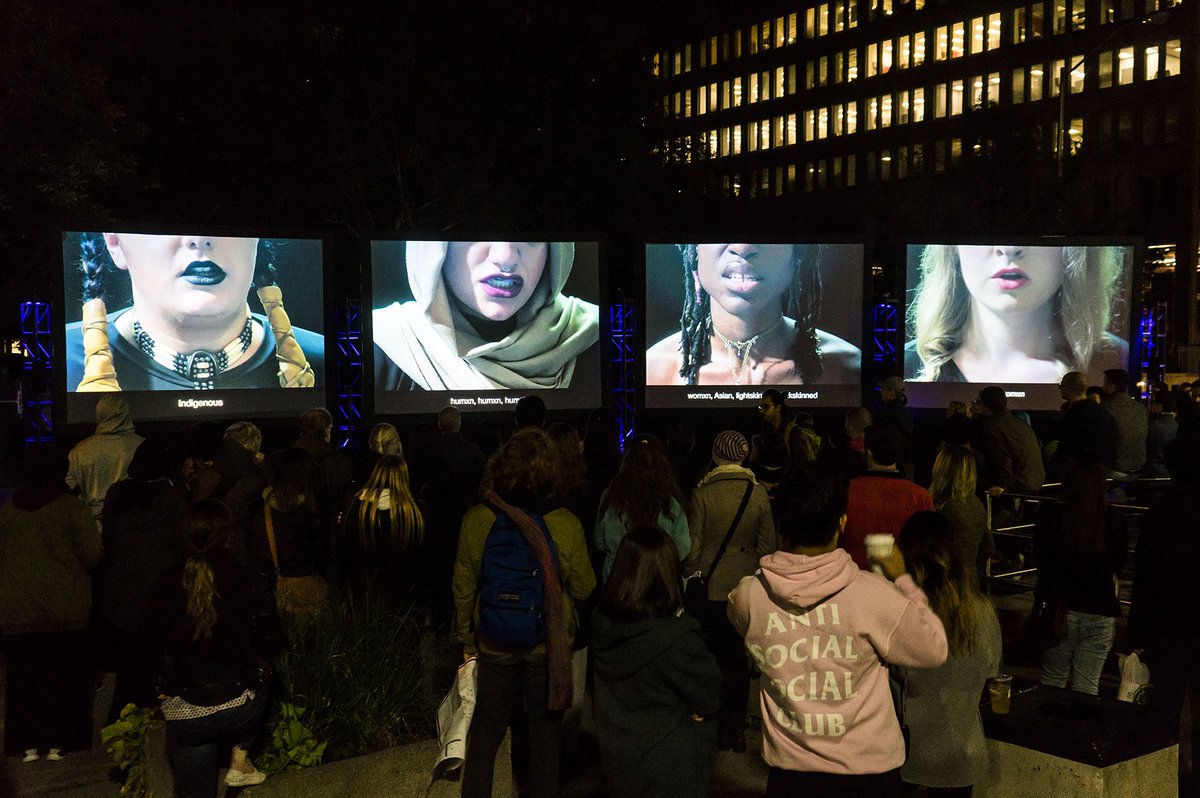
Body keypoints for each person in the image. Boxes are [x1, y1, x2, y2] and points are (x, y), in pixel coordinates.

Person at [728, 466, 948, 798]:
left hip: (791, 778)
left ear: (780, 522)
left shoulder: (748, 596)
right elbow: (934, 649)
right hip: (868, 776)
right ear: (842, 523)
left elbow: (741, 620)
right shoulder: (874, 596)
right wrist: (904, 580)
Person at [454, 428, 596, 798]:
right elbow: (585, 587)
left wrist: (466, 640)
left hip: (493, 642)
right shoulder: (564, 522)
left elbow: (463, 587)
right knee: (545, 736)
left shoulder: (478, 519)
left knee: (485, 733)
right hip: (546, 646)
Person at [65, 232, 322, 391]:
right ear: (114, 243)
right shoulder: (63, 360)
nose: (201, 240)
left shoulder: (323, 360)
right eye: (164, 222)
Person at [147, 500, 281, 797]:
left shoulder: (165, 583)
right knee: (268, 673)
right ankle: (240, 757)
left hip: (185, 709)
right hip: (239, 707)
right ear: (227, 536)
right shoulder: (247, 578)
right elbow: (271, 639)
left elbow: (150, 647)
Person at [592, 526, 721, 798]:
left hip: (617, 760)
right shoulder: (677, 639)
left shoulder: (602, 626)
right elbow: (710, 697)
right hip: (670, 769)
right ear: (668, 573)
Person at [373, 241, 599, 391]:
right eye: (474, 233)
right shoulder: (385, 342)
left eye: (529, 235)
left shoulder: (592, 337)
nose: (505, 258)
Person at [0, 446, 102, 762]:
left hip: (18, 610)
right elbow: (93, 555)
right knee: (63, 679)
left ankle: (25, 742)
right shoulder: (70, 507)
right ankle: (62, 741)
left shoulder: (9, 510)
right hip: (64, 609)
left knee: (24, 680)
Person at [905, 244, 1128, 383]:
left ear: (1075, 251)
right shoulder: (909, 364)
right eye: (986, 230)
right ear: (953, 248)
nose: (1009, 249)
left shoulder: (1118, 359)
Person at [646, 243, 860, 386]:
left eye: (770, 234)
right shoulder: (654, 369)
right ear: (694, 249)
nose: (743, 248)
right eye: (721, 231)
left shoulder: (848, 367)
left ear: (798, 253)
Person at [897, 511, 1002, 798]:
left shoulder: (902, 615)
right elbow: (992, 671)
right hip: (961, 750)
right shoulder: (983, 612)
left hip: (907, 751)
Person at [687, 430, 775, 752]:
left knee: (715, 655)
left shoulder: (703, 493)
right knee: (738, 658)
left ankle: (715, 722)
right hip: (746, 584)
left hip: (712, 586)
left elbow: (693, 550)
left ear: (716, 455)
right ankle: (736, 727)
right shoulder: (757, 492)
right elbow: (768, 546)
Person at [99, 437, 190, 722]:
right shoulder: (173, 497)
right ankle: (153, 718)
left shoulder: (117, 494)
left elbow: (107, 537)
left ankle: (121, 720)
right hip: (160, 591)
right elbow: (183, 541)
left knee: (128, 664)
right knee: (156, 663)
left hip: (121, 591)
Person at [1128, 425, 1200, 784]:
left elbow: (1146, 576)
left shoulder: (1161, 513)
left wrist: (1137, 631)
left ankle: (1163, 776)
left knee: (1164, 706)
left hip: (1167, 625)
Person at [1034, 455, 1127, 695]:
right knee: (1087, 685)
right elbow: (1119, 562)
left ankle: (1050, 719)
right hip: (1100, 607)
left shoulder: (1050, 514)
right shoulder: (1112, 518)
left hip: (1060, 607)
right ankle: (1081, 720)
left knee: (1053, 680)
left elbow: (1041, 560)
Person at [842, 424, 935, 569]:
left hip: (853, 574)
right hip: (903, 577)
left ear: (868, 453)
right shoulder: (919, 496)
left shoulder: (846, 490)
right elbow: (931, 543)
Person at [596, 438, 690, 579]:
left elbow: (599, 541)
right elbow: (682, 550)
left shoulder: (611, 497)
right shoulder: (670, 503)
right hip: (658, 580)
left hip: (617, 579)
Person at [66, 394, 144, 524]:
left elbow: (70, 486)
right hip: (131, 521)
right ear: (126, 413)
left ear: (98, 414)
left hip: (93, 523)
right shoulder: (141, 445)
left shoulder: (79, 451)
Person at [929, 444, 994, 587]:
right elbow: (988, 548)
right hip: (970, 581)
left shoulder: (940, 507)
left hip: (946, 585)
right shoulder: (976, 503)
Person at [975, 386, 1046, 495]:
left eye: (979, 402)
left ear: (985, 404)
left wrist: (1002, 485)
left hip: (1018, 484)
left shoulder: (994, 426)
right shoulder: (1018, 422)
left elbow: (1001, 458)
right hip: (1034, 480)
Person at [1100, 368, 1148, 479]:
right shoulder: (1139, 407)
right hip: (1139, 469)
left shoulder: (1105, 408)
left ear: (1111, 386)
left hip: (1114, 470)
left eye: (1104, 383)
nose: (1102, 387)